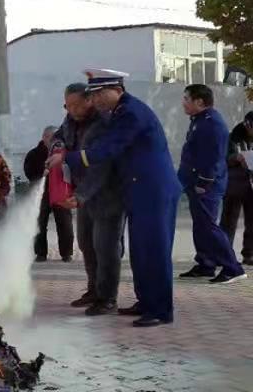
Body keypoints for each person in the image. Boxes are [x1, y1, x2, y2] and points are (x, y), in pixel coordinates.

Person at [49, 69, 182, 327]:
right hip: (138, 190)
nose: (95, 100)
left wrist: (67, 157)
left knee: (154, 250)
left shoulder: (130, 113)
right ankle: (146, 301)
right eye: (93, 95)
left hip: (153, 189)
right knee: (140, 251)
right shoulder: (120, 112)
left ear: (117, 89)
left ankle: (161, 310)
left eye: (99, 94)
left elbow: (107, 149)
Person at [53, 83, 125, 315]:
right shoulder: (70, 120)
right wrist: (57, 149)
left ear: (89, 101)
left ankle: (107, 298)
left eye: (75, 105)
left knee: (106, 247)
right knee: (86, 243)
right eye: (67, 105)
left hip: (107, 194)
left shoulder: (104, 123)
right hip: (83, 194)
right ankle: (93, 289)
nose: (71, 110)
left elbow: (102, 166)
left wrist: (81, 194)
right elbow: (59, 137)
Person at [178, 85, 247, 283]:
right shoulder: (199, 121)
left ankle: (233, 267)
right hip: (195, 181)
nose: (183, 103)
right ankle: (206, 263)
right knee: (201, 225)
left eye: (186, 99)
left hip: (206, 184)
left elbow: (215, 158)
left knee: (209, 226)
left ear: (199, 101)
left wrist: (204, 182)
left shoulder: (212, 123)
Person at [24, 125, 74, 262]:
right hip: (42, 193)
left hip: (60, 192)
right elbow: (28, 172)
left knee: (65, 223)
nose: (54, 140)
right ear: (44, 137)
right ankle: (40, 253)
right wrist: (42, 171)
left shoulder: (63, 152)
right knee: (39, 223)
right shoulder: (34, 154)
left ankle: (66, 253)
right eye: (51, 137)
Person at [220, 111, 253, 266]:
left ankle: (250, 255)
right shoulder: (233, 137)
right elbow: (223, 158)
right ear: (246, 124)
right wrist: (236, 158)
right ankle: (224, 254)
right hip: (235, 184)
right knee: (228, 221)